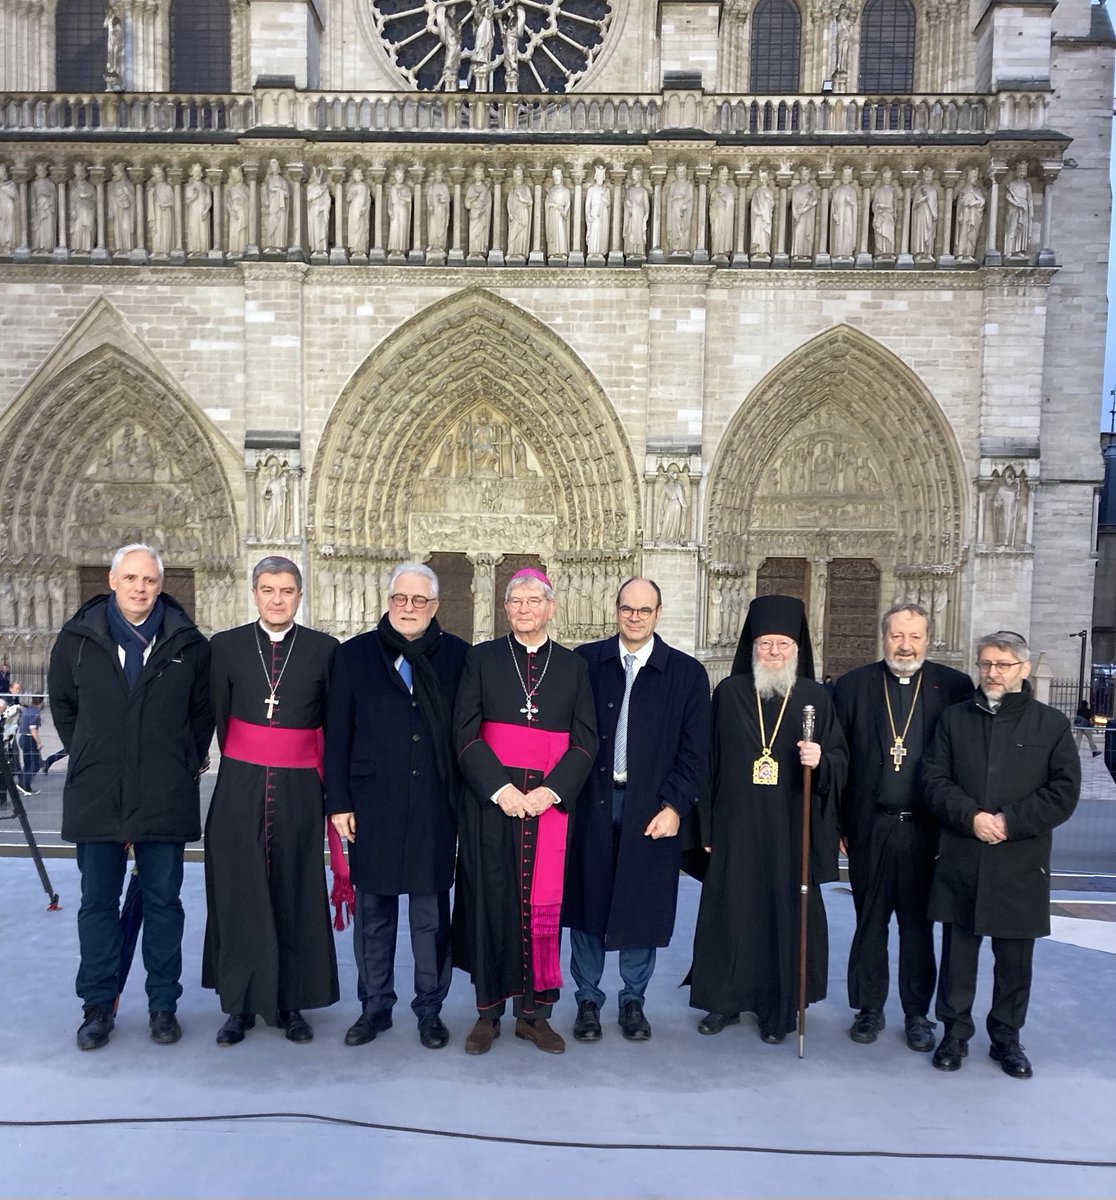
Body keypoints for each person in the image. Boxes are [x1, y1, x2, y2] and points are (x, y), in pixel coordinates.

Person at [48, 543, 213, 1051]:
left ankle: (163, 1005)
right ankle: (98, 1005)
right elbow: (63, 706)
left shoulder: (188, 643)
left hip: (164, 791)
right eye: (131, 578)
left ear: (160, 586)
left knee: (164, 904)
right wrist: (94, 754)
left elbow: (202, 711)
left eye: (149, 580)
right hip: (99, 793)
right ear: (113, 581)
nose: (140, 588)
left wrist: (183, 758)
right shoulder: (77, 640)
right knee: (97, 904)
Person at [688, 594, 846, 1043]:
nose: (773, 652)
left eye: (781, 644)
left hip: (789, 829)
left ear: (797, 648)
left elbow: (841, 759)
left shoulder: (816, 697)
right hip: (736, 829)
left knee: (785, 914)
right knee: (731, 912)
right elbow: (708, 765)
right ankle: (724, 1002)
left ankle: (780, 1007)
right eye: (765, 644)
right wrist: (708, 828)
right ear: (752, 647)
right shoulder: (730, 694)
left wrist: (823, 759)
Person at [452, 568, 597, 1055]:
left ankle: (535, 1017)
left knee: (543, 907)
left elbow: (585, 741)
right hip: (493, 808)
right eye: (516, 601)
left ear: (551, 608)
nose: (524, 609)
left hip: (548, 810)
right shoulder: (482, 659)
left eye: (534, 601)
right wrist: (501, 790)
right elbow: (465, 733)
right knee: (489, 901)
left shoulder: (574, 667)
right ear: (506, 608)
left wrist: (550, 792)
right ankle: (488, 1014)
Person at [923, 631, 1079, 1078]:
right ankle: (954, 1035)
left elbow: (1064, 792)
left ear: (1024, 670)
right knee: (958, 956)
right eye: (986, 663)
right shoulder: (954, 720)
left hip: (1020, 860)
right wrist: (971, 817)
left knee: (1015, 961)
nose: (992, 673)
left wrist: (1009, 821)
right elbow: (934, 779)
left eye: (1003, 665)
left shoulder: (1051, 725)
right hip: (963, 854)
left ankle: (1007, 1040)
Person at [326, 563, 469, 1050]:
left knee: (431, 916)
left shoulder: (458, 658)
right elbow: (338, 734)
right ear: (388, 601)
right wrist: (339, 801)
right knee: (374, 912)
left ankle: (429, 1008)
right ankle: (375, 1007)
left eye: (419, 601)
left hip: (434, 803)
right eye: (400, 599)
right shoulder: (353, 656)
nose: (408, 608)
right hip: (372, 803)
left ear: (435, 606)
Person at [202, 556, 342, 1045]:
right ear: (254, 593)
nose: (276, 599)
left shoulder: (325, 650)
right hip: (239, 786)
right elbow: (221, 717)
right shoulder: (226, 647)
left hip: (301, 790)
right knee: (238, 892)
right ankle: (238, 1004)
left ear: (299, 596)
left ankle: (291, 1003)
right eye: (267, 589)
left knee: (295, 891)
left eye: (286, 590)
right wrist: (253, 756)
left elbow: (333, 725)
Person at [564, 579, 709, 1041]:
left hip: (651, 807)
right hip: (590, 802)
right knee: (587, 901)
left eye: (644, 610)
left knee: (641, 905)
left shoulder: (687, 674)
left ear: (658, 614)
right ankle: (587, 999)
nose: (635, 617)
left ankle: (633, 1002)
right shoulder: (585, 662)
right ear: (616, 610)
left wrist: (675, 806)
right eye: (628, 608)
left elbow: (695, 751)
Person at [833, 603, 971, 1052]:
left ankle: (917, 1014)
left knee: (917, 927)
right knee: (868, 924)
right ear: (883, 637)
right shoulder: (853, 686)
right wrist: (837, 823)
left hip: (926, 830)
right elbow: (841, 762)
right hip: (870, 826)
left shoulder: (953, 687)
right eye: (896, 636)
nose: (905, 645)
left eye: (914, 636)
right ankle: (868, 1010)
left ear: (928, 639)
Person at [17, 692, 42, 792]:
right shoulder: (35, 712)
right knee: (36, 764)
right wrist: (38, 742)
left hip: (23, 738)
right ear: (41, 702)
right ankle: (23, 784)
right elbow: (33, 729)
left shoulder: (27, 710)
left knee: (28, 763)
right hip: (29, 739)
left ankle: (24, 784)